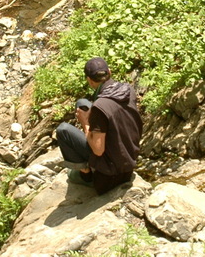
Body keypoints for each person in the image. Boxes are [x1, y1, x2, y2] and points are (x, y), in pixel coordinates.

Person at [55, 57, 143, 194]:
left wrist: (86, 123)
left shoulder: (99, 107)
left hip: (109, 177)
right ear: (109, 72)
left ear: (89, 80)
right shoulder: (127, 90)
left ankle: (86, 172)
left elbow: (98, 150)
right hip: (128, 159)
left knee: (63, 130)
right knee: (82, 103)